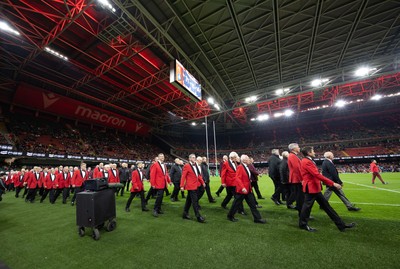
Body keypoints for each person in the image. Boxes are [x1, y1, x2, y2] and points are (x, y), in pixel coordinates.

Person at [299, 146, 356, 232]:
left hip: (314, 187)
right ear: (309, 153)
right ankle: (303, 224)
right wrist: (332, 183)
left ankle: (341, 225)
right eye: (313, 151)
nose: (314, 152)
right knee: (307, 208)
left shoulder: (307, 160)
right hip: (311, 188)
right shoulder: (306, 161)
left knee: (326, 207)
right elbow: (316, 175)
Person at [227, 155, 266, 224]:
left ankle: (257, 218)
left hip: (248, 189)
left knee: (252, 204)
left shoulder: (246, 167)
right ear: (244, 160)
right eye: (248, 159)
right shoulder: (240, 167)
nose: (249, 160)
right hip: (242, 190)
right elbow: (238, 178)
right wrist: (242, 187)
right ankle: (230, 216)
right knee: (236, 204)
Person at [180, 154, 206, 223]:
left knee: (189, 200)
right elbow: (183, 176)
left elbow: (199, 175)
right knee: (195, 201)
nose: (194, 158)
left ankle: (185, 214)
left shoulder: (195, 165)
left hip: (195, 186)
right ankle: (198, 216)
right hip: (191, 186)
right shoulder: (186, 166)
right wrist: (181, 186)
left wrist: (202, 182)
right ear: (189, 158)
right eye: (193, 157)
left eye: (195, 157)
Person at [287, 143, 304, 214]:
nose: (299, 148)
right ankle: (302, 213)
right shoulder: (292, 156)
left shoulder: (293, 156)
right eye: (298, 147)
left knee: (299, 196)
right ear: (294, 149)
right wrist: (301, 179)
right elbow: (297, 168)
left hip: (296, 179)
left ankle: (300, 209)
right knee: (300, 197)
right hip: (297, 179)